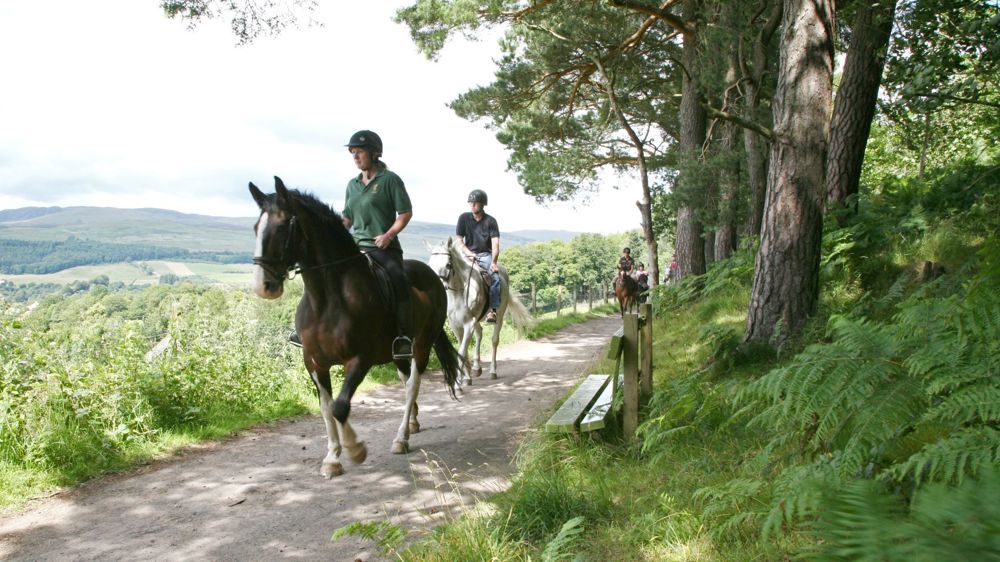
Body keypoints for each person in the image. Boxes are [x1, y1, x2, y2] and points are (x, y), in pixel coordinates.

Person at [340, 129, 415, 359]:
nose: (355, 156)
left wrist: (388, 235)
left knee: (397, 280)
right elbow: (347, 219)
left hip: (384, 248)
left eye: (359, 151)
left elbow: (405, 213)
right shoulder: (352, 185)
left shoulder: (390, 180)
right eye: (352, 152)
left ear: (374, 153)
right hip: (356, 247)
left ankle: (402, 337)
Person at [455, 189, 502, 323]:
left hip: (485, 255)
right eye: (471, 203)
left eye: (475, 203)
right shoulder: (463, 218)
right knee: (450, 271)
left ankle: (493, 310)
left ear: (482, 204)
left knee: (494, 277)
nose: (472, 205)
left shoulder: (491, 221)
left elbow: (495, 244)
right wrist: (468, 253)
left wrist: (493, 262)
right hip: (466, 254)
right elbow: (458, 240)